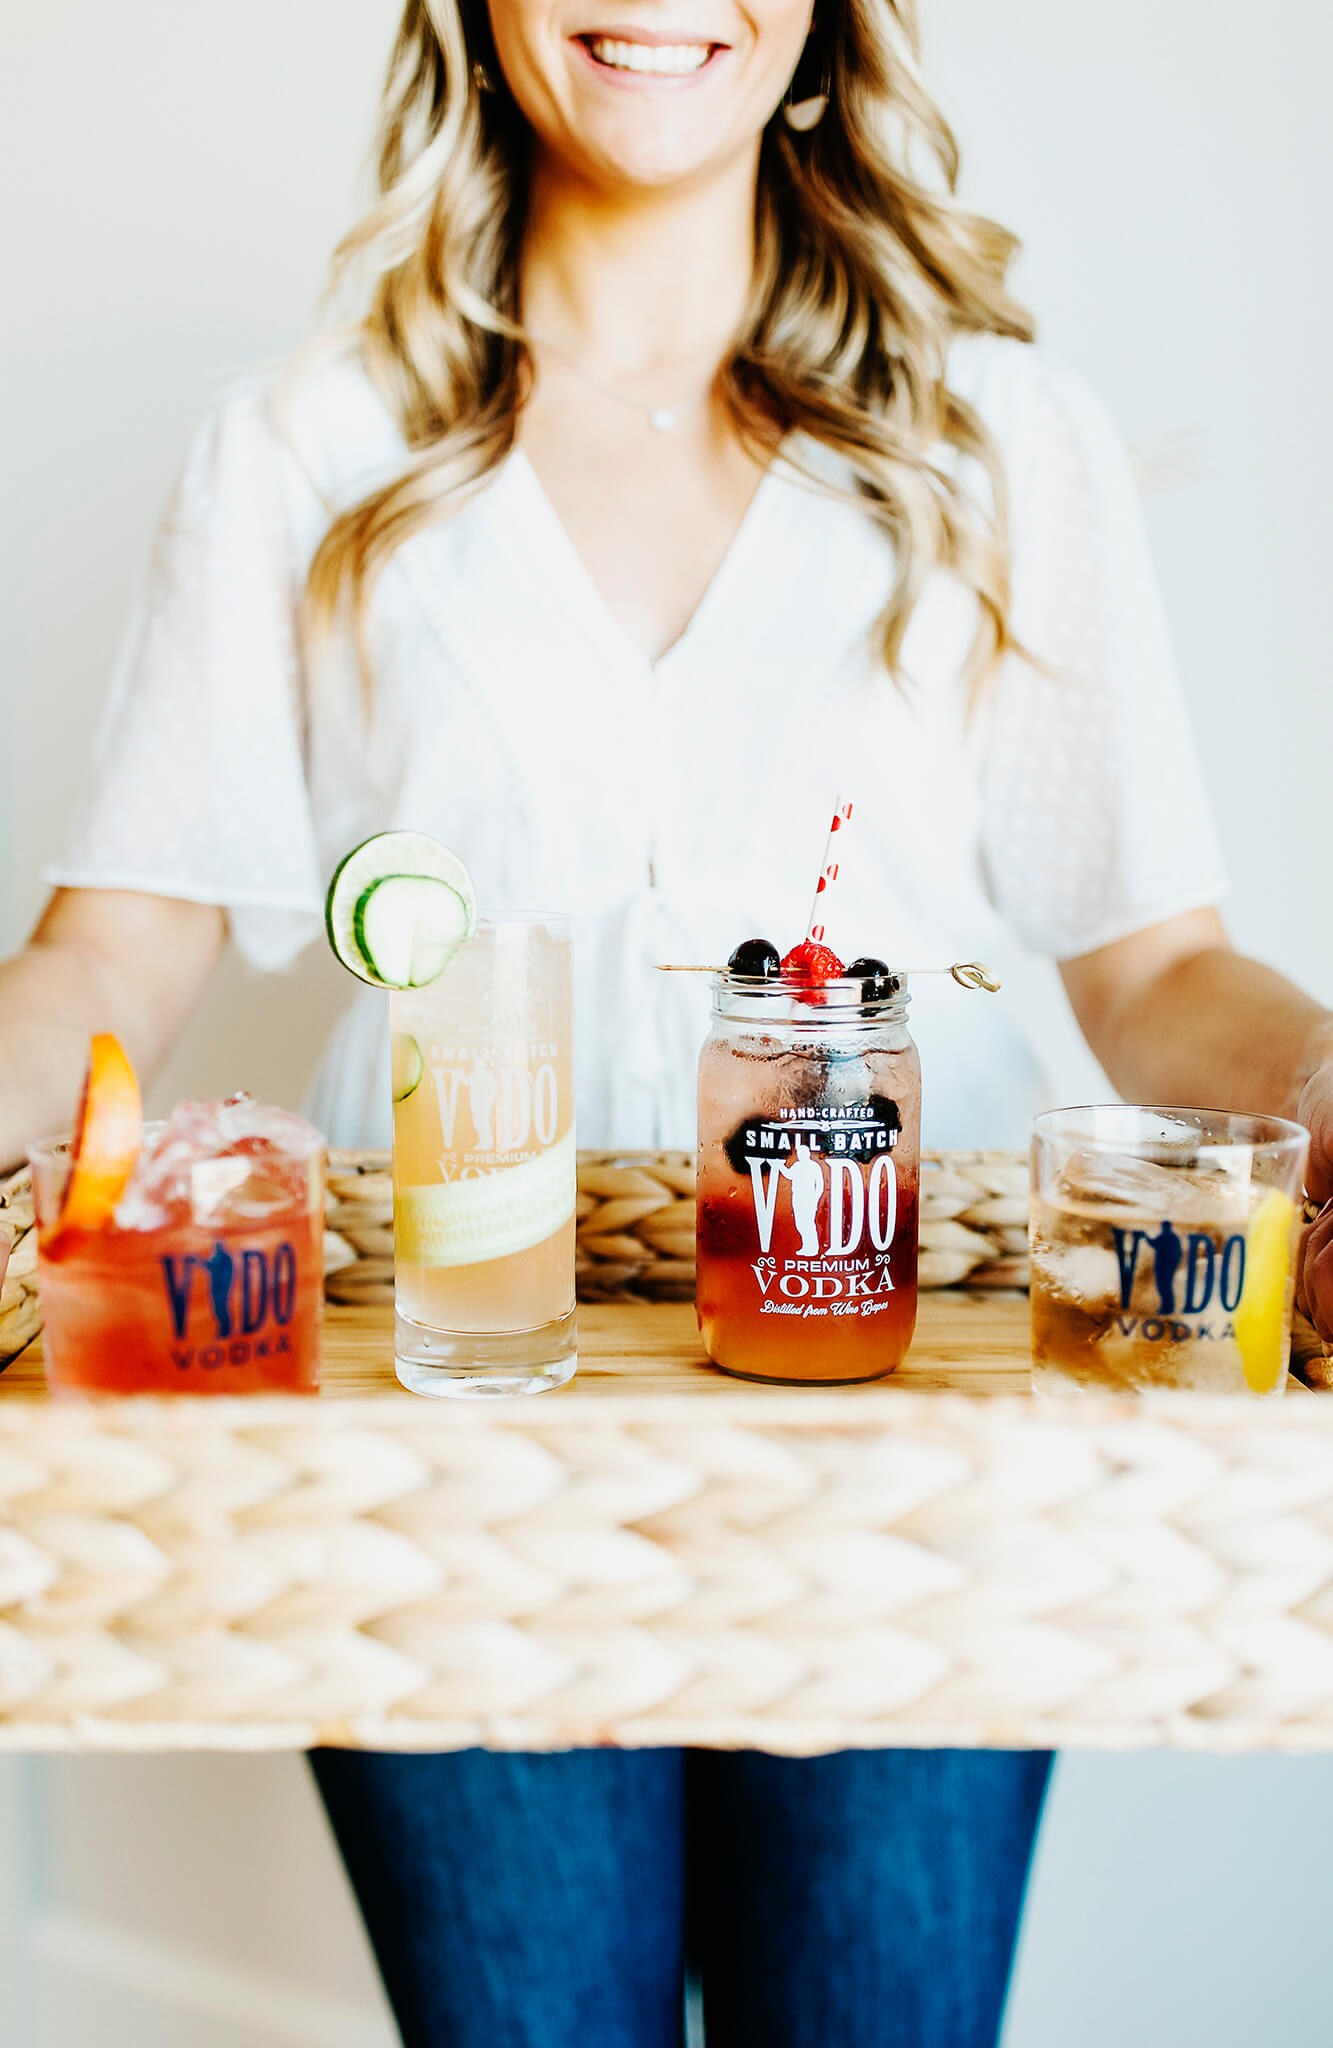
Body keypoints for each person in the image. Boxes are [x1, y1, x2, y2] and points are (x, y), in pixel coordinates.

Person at [2, 0, 1331, 2041]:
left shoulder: (998, 439)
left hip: (918, 1444)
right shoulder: (307, 446)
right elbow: (119, 948)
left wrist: (1319, 1086)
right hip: (451, 1419)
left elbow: (1152, 969)